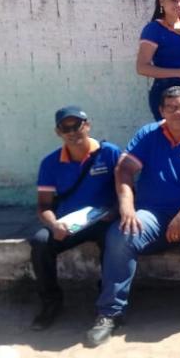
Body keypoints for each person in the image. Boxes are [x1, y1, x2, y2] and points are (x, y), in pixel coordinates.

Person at [86, 87, 180, 346]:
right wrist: (126, 205)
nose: (177, 112)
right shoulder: (149, 134)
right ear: (162, 110)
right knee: (121, 232)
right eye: (171, 108)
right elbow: (124, 169)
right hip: (153, 213)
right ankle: (110, 312)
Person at [29, 106, 122, 331]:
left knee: (115, 240)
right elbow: (43, 206)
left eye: (77, 126)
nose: (72, 132)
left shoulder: (110, 153)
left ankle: (107, 302)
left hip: (104, 221)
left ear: (87, 125)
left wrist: (115, 211)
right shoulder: (50, 163)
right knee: (40, 242)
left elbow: (126, 191)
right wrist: (54, 224)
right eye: (65, 128)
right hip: (69, 223)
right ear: (58, 132)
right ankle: (51, 302)